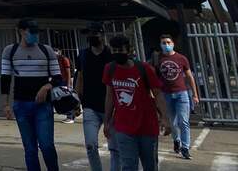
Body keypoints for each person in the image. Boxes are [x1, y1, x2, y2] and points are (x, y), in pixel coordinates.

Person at [1, 18, 62, 171]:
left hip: (43, 105)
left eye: (36, 32)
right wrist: (6, 104)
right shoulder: (10, 51)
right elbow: (5, 79)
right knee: (30, 148)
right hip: (21, 104)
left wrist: (46, 87)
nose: (35, 35)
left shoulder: (46, 50)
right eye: (31, 32)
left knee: (47, 145)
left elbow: (58, 78)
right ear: (22, 31)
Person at [103, 35, 171, 171]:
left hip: (147, 126)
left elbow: (158, 94)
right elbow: (110, 96)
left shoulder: (144, 68)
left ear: (128, 50)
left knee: (150, 166)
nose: (117, 53)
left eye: (120, 50)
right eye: (114, 50)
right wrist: (107, 121)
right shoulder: (110, 69)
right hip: (123, 127)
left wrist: (165, 117)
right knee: (128, 166)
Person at [74, 22, 118, 171]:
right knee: (90, 145)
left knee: (114, 148)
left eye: (94, 33)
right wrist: (76, 101)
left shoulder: (111, 55)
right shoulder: (83, 55)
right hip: (90, 106)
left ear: (102, 35)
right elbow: (80, 78)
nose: (91, 36)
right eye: (89, 34)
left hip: (111, 107)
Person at [154, 34, 199, 159]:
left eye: (168, 42)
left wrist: (195, 94)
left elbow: (189, 76)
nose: (166, 45)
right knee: (172, 122)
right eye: (163, 43)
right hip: (166, 94)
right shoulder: (158, 60)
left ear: (173, 44)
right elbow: (155, 78)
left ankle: (185, 148)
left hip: (181, 93)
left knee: (183, 121)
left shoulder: (181, 58)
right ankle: (176, 140)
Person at [56, 49, 75, 123]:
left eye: (56, 52)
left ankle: (70, 117)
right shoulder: (57, 60)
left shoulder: (64, 59)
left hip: (65, 82)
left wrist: (68, 84)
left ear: (59, 52)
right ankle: (69, 116)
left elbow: (68, 73)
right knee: (64, 100)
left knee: (67, 99)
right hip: (61, 81)